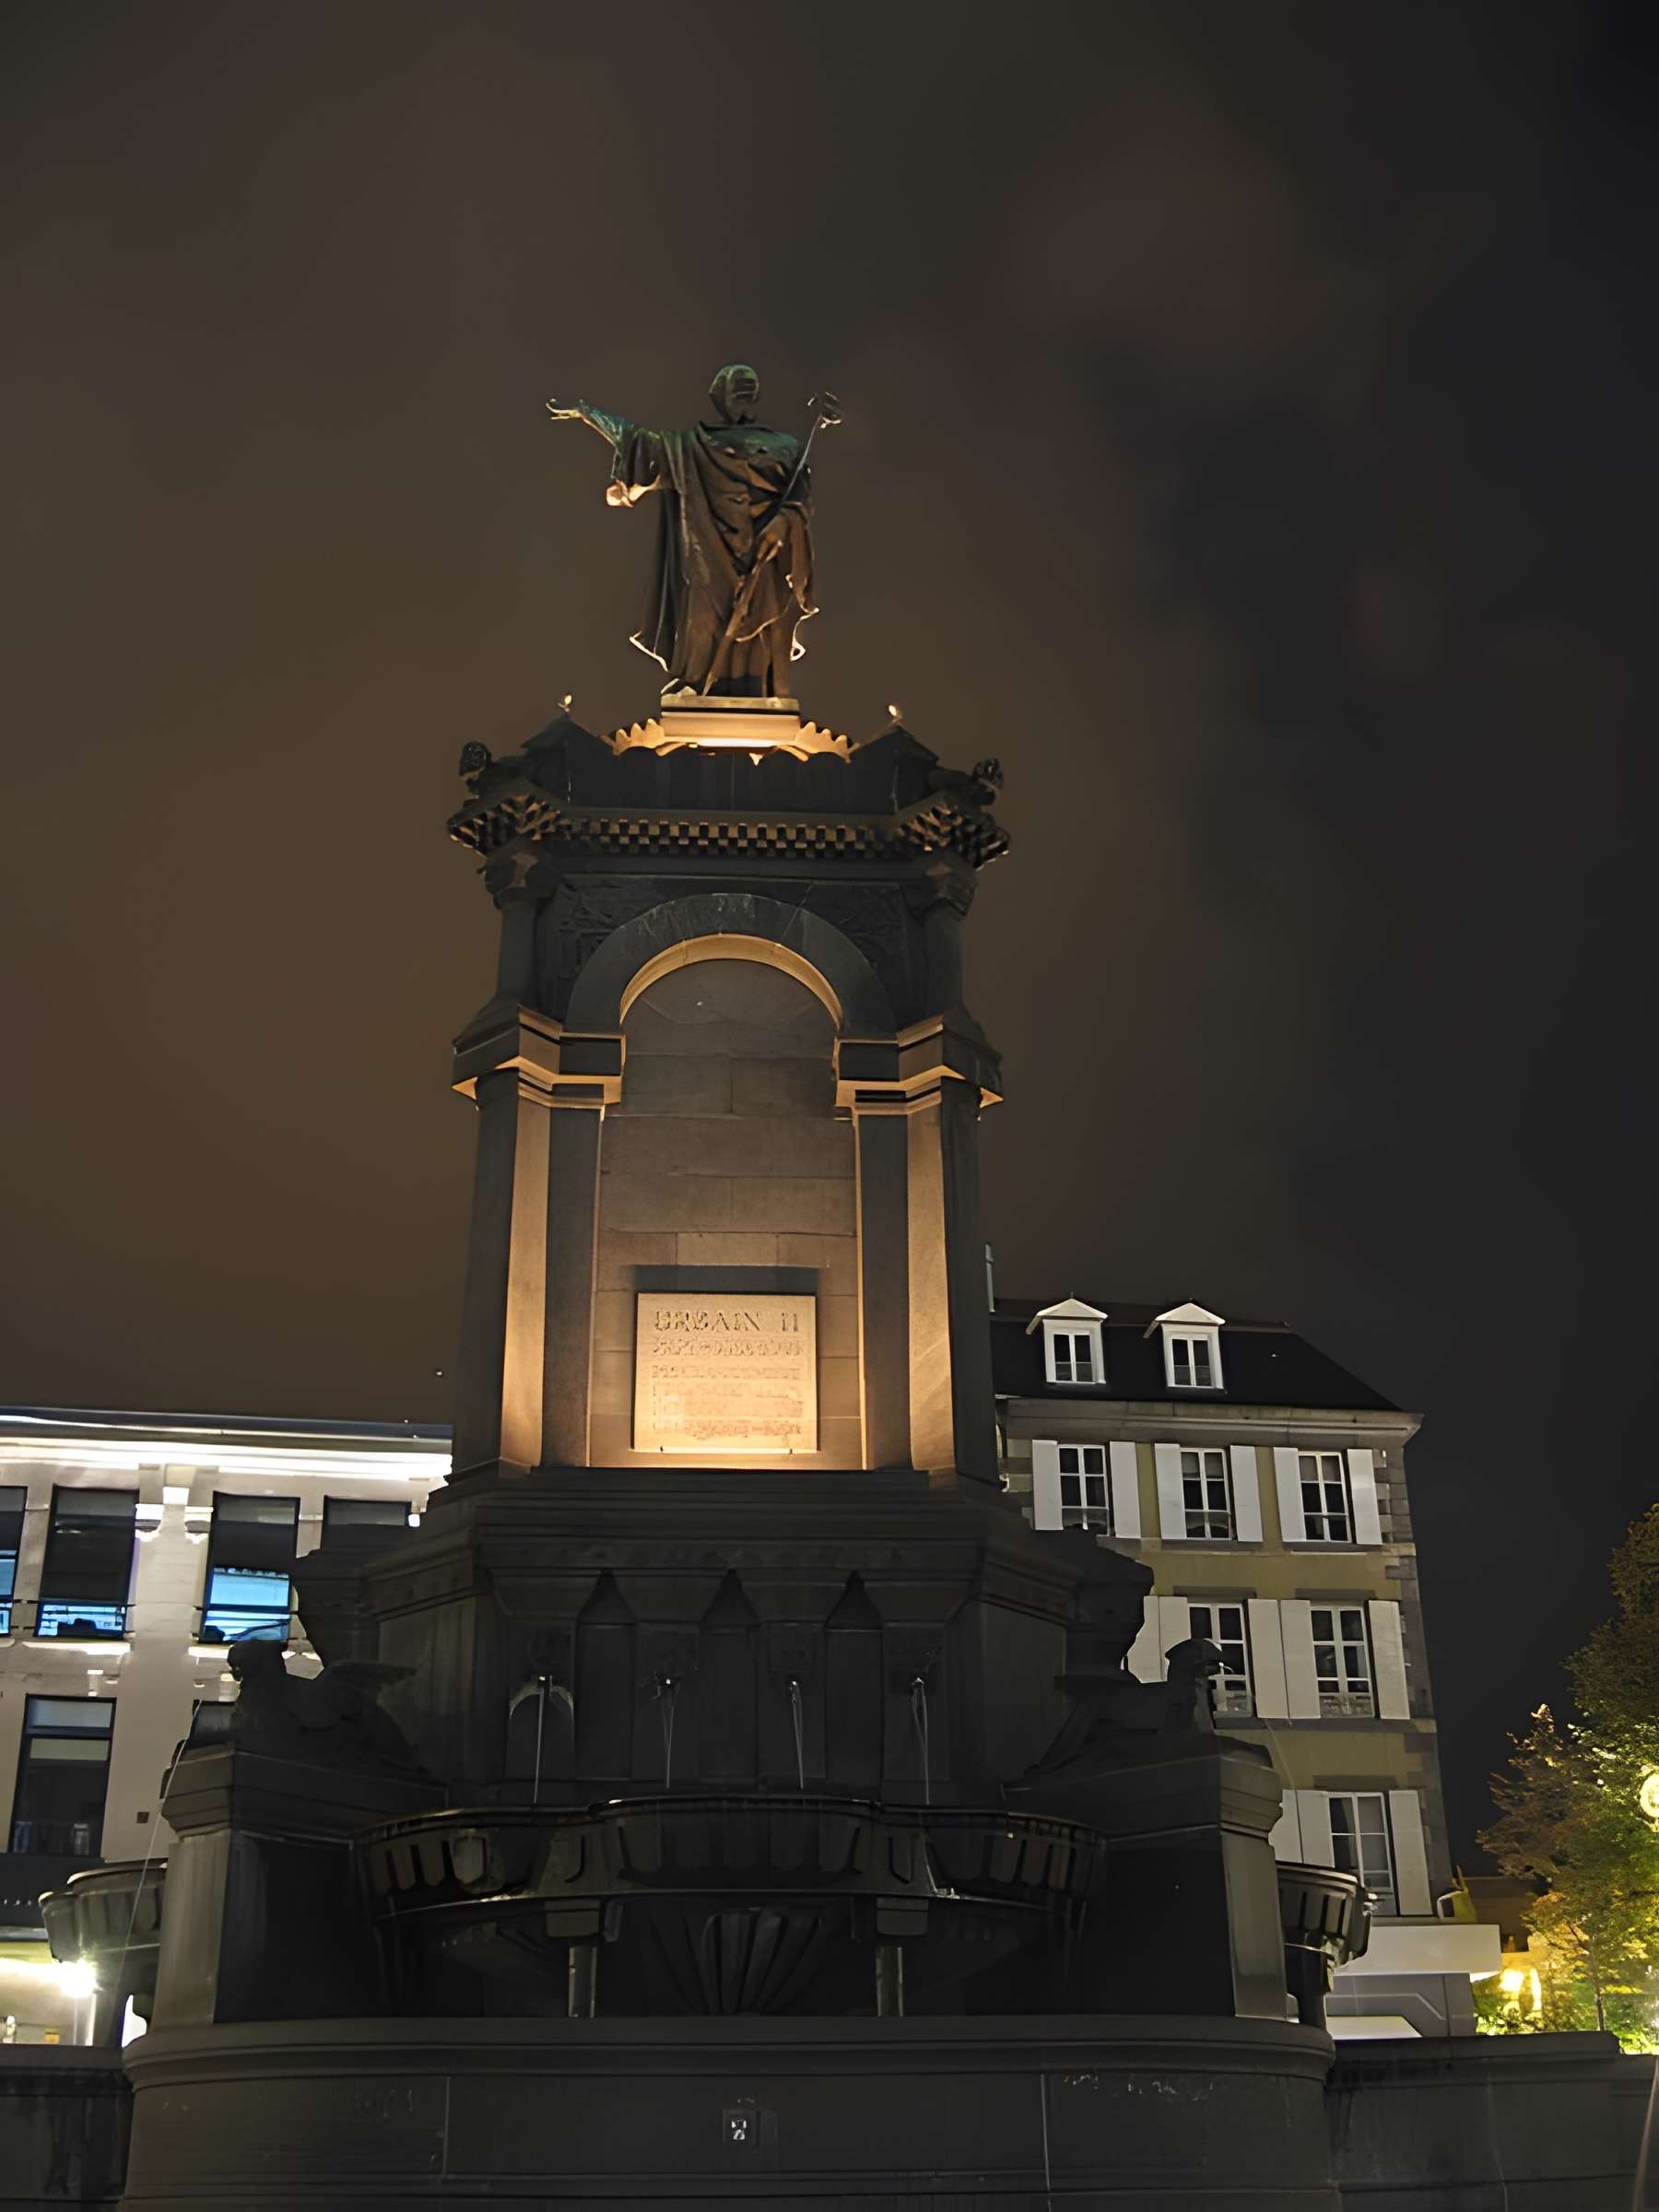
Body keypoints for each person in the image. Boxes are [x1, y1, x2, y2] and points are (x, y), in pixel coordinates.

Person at [547, 364, 815, 698]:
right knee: (710, 625)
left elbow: (638, 441)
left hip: (751, 556)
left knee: (743, 623)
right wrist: (590, 414)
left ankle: (748, 689)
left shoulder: (722, 447)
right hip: (721, 556)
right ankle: (709, 686)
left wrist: (783, 521)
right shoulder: (703, 448)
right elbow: (641, 444)